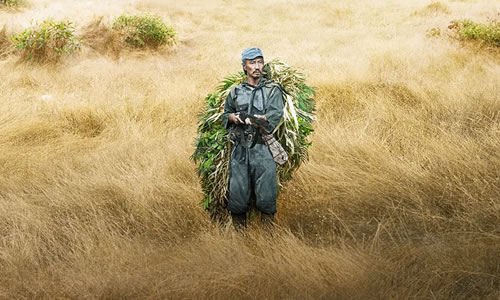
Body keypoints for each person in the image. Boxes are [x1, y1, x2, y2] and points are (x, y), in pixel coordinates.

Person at [221, 47, 284, 230]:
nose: (257, 66)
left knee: (266, 197)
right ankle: (240, 242)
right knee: (238, 198)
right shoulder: (235, 91)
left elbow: (274, 116)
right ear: (244, 67)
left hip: (263, 149)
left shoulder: (272, 90)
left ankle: (268, 241)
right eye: (252, 63)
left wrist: (259, 120)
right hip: (240, 151)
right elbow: (226, 114)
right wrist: (233, 117)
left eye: (260, 62)